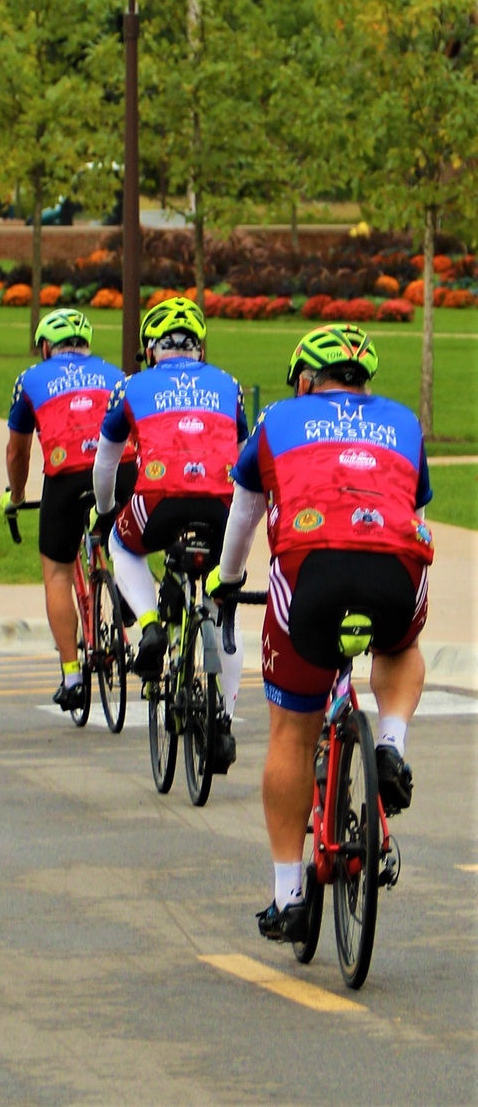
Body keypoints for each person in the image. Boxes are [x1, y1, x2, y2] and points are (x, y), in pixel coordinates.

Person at [208, 323, 433, 943]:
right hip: (393, 570)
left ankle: (288, 896)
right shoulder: (405, 424)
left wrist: (227, 582)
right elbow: (414, 516)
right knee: (401, 645)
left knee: (291, 727)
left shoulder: (278, 419)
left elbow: (244, 515)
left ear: (306, 380)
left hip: (312, 572)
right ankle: (390, 742)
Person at [92, 295, 248, 766]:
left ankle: (150, 626)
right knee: (223, 611)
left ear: (150, 349)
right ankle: (222, 721)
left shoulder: (132, 386)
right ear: (200, 349)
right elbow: (245, 459)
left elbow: (105, 463)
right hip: (223, 502)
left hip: (158, 499)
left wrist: (104, 512)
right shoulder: (229, 385)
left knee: (121, 545)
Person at [3, 307, 136, 716]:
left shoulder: (31, 379)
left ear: (46, 347)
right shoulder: (117, 375)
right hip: (120, 471)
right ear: (87, 344)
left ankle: (73, 675)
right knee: (126, 547)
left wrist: (17, 495)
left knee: (58, 572)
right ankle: (128, 592)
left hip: (65, 477)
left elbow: (18, 450)